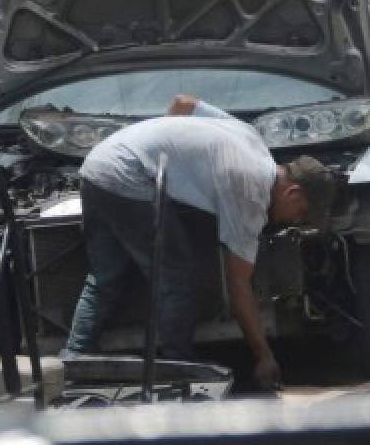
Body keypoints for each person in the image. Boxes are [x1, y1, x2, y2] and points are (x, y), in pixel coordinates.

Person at [64, 93, 337, 390]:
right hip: (129, 175)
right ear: (292, 193)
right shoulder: (250, 191)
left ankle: (75, 358)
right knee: (178, 275)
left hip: (99, 162)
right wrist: (264, 355)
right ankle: (176, 366)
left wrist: (167, 147)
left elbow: (184, 103)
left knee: (106, 275)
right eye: (301, 213)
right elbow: (238, 286)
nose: (295, 221)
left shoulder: (252, 140)